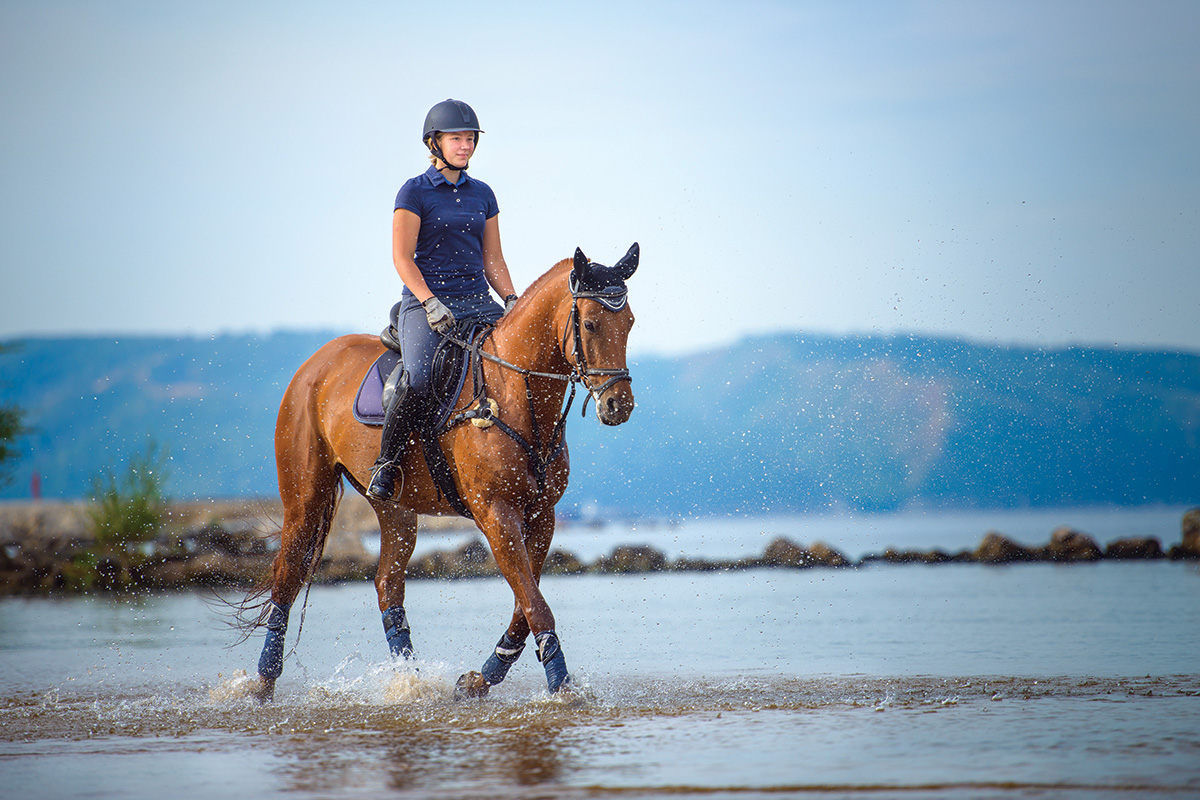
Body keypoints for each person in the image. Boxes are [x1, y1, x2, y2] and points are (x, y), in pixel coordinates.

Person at [368, 99, 519, 501]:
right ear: (434, 142)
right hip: (426, 303)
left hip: (476, 300)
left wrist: (510, 298)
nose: (465, 146)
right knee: (418, 380)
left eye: (470, 139)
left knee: (515, 364)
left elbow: (493, 258)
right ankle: (386, 463)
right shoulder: (414, 191)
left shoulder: (483, 194)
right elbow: (402, 257)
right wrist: (431, 302)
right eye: (457, 138)